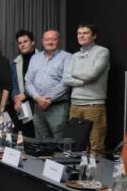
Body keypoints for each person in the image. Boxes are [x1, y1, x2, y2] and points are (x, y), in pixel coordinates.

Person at [63, 23, 110, 154]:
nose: (81, 36)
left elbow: (92, 74)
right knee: (74, 144)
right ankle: (78, 168)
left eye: (85, 33)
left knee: (96, 146)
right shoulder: (74, 56)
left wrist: (73, 73)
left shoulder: (102, 52)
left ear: (94, 36)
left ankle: (97, 168)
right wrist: (84, 81)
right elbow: (66, 78)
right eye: (79, 33)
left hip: (93, 105)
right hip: (75, 105)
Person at [24, 30, 71, 139]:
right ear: (42, 41)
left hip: (57, 107)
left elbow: (66, 82)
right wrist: (37, 97)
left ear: (59, 41)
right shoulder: (35, 58)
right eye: (47, 39)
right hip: (38, 107)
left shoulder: (67, 57)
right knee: (40, 141)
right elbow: (28, 81)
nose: (50, 42)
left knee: (58, 141)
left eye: (53, 39)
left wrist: (48, 99)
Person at [10, 29, 38, 138]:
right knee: (25, 136)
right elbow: (14, 84)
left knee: (39, 136)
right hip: (22, 105)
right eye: (20, 43)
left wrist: (26, 95)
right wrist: (16, 99)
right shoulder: (15, 62)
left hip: (38, 103)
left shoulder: (42, 58)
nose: (22, 45)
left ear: (32, 42)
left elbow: (42, 83)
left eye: (25, 41)